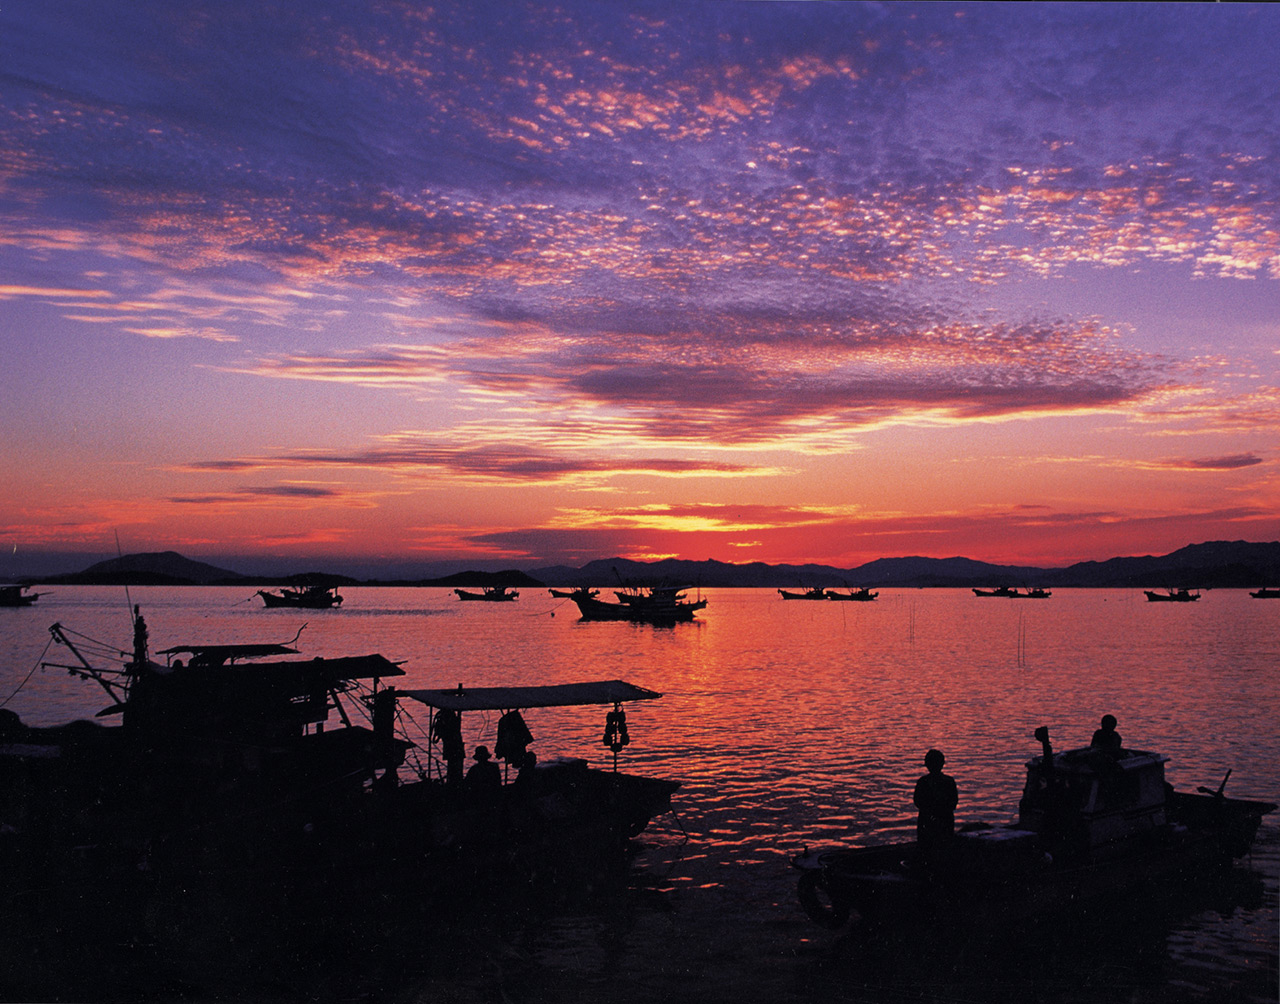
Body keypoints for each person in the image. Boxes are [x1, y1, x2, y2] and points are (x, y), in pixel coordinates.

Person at [913, 749, 958, 864]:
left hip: (927, 821)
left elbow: (918, 802)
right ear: (942, 764)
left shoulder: (923, 782)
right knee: (944, 850)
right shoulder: (949, 781)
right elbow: (953, 802)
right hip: (944, 821)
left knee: (927, 850)